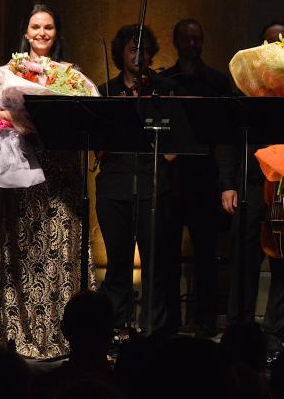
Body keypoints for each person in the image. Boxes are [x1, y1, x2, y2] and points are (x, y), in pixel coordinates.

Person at [0, 3, 92, 359]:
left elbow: (87, 110)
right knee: (26, 245)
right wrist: (20, 120)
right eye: (36, 27)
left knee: (61, 246)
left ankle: (63, 336)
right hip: (25, 167)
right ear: (26, 33)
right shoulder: (9, 70)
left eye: (49, 28)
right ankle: (22, 334)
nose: (42, 33)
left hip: (62, 167)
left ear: (56, 34)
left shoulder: (70, 74)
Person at [95, 24, 178, 340]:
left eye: (144, 49)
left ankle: (153, 331)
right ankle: (117, 328)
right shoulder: (105, 92)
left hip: (152, 184)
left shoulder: (164, 89)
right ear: (121, 54)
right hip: (114, 185)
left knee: (155, 264)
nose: (139, 54)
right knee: (117, 263)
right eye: (132, 48)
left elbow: (178, 137)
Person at [218, 22, 284, 358]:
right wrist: (227, 186)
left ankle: (275, 333)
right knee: (243, 263)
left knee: (282, 263)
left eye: (281, 43)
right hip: (249, 182)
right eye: (268, 43)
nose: (274, 48)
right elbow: (229, 141)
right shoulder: (245, 88)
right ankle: (239, 330)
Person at [158, 19, 230, 336]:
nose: (191, 43)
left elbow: (224, 131)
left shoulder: (216, 81)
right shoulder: (163, 80)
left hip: (204, 175)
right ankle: (170, 320)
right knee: (167, 253)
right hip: (170, 178)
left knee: (205, 253)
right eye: (186, 38)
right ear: (175, 41)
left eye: (196, 38)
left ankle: (205, 319)